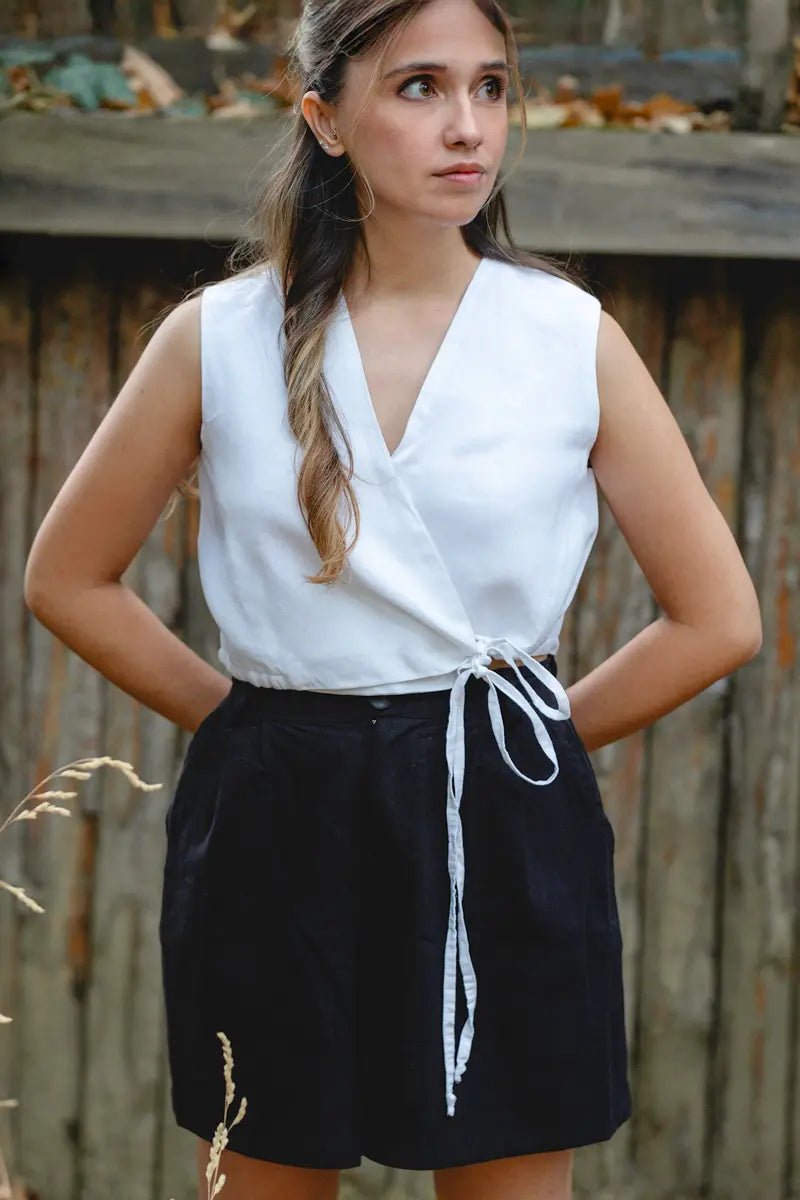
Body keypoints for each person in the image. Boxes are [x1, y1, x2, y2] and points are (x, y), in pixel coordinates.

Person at [22, 0, 762, 1197]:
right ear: (324, 118)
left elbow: (717, 618)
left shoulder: (566, 340)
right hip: (277, 819)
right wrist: (248, 726)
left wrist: (522, 747)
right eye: (419, 87)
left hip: (502, 824)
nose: (466, 126)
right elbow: (66, 576)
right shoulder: (216, 338)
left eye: (490, 87)